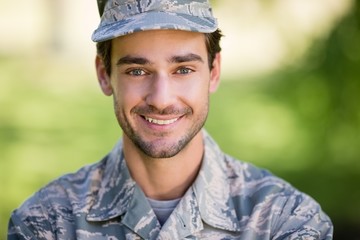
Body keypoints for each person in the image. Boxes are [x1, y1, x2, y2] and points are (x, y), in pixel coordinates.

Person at [8, 0, 333, 239]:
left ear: (214, 72)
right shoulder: (47, 223)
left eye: (183, 70)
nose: (161, 99)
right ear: (105, 75)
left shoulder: (286, 221)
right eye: (137, 71)